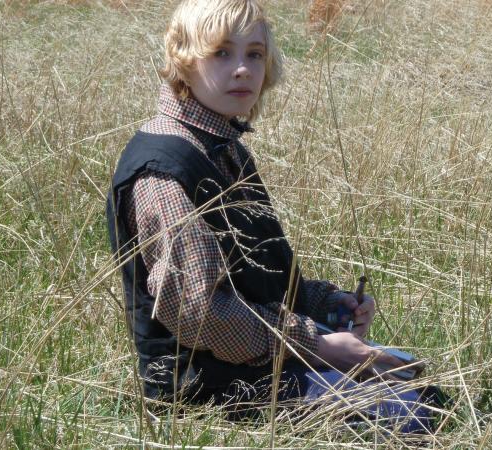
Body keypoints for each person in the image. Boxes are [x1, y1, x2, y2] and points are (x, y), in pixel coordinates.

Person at [105, 0, 437, 434]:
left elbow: (259, 277)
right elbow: (199, 315)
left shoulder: (222, 147)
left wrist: (329, 305)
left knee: (420, 378)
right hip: (204, 389)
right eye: (222, 52)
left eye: (254, 54)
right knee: (411, 412)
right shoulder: (165, 171)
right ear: (183, 60)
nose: (242, 69)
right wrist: (318, 344)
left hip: (257, 362)